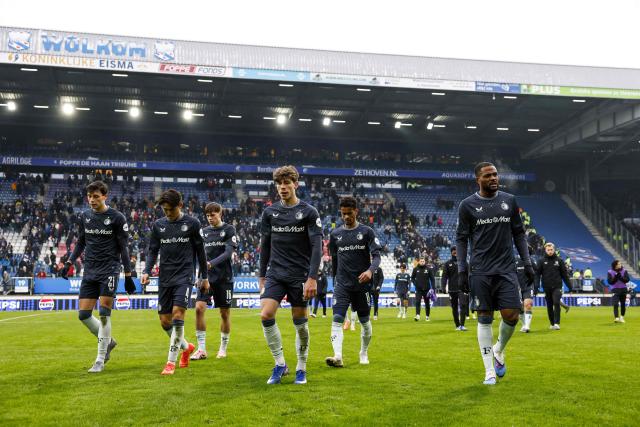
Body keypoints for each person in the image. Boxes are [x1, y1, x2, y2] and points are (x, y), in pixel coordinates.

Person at [456, 162, 535, 385]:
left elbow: (519, 233)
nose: (493, 178)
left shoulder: (509, 201)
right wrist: (462, 270)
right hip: (480, 271)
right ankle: (489, 370)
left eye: (495, 175)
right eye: (488, 175)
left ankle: (499, 349)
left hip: (506, 268)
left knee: (512, 315)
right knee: (484, 318)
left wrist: (527, 262)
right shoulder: (467, 205)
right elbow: (461, 239)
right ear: (478, 180)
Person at [61, 180, 136, 373]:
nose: (92, 200)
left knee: (104, 314)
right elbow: (81, 243)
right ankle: (108, 342)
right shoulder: (85, 216)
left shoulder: (117, 218)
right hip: (90, 270)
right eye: (89, 196)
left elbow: (124, 248)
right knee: (84, 314)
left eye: (96, 196)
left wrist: (128, 275)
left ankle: (100, 360)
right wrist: (69, 262)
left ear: (105, 196)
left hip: (109, 270)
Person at [258, 166, 323, 385]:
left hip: (300, 275)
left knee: (300, 324)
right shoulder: (269, 213)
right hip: (275, 273)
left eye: (287, 183)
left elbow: (316, 247)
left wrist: (312, 277)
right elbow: (265, 245)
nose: (283, 187)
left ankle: (301, 368)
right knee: (266, 315)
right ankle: (280, 364)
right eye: (279, 184)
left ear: (296, 184)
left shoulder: (309, 212)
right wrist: (261, 275)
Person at [141, 189, 209, 375]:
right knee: (165, 321)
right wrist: (147, 270)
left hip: (184, 276)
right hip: (165, 277)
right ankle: (186, 347)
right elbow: (153, 251)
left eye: (171, 209)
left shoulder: (192, 224)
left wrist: (204, 277)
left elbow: (201, 253)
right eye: (165, 210)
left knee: (178, 315)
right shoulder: (158, 225)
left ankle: (170, 362)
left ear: (180, 205)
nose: (168, 213)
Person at [326, 196, 381, 367]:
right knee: (337, 318)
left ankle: (363, 352)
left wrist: (370, 271)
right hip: (342, 284)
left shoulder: (366, 232)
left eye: (349, 213)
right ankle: (338, 356)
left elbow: (377, 257)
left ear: (356, 211)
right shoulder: (335, 235)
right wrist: (335, 280)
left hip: (362, 285)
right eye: (343, 214)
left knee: (365, 322)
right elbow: (334, 260)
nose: (346, 217)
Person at [190, 202, 238, 361]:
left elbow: (228, 252)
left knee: (224, 314)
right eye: (208, 215)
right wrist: (199, 275)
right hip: (206, 277)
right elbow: (199, 254)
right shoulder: (203, 232)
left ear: (220, 214)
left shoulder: (229, 229)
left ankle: (223, 348)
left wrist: (211, 263)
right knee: (198, 309)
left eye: (213, 215)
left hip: (224, 278)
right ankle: (201, 349)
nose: (210, 218)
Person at [536, 242, 572, 330]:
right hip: (546, 287)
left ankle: (557, 323)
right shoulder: (541, 261)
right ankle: (552, 323)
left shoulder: (559, 261)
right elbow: (537, 275)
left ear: (554, 250)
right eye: (548, 250)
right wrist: (536, 286)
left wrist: (570, 287)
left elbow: (565, 275)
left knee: (556, 302)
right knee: (549, 305)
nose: (550, 251)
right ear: (545, 250)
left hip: (557, 286)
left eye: (551, 249)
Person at [442, 246, 467, 331]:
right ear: (451, 252)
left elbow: (468, 275)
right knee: (454, 307)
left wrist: (468, 286)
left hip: (462, 288)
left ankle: (462, 325)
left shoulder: (464, 263)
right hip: (452, 289)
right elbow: (444, 276)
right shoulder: (447, 263)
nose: (455, 252)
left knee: (463, 305)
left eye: (456, 250)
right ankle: (457, 325)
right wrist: (443, 286)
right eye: (453, 250)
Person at [411, 257, 435, 321]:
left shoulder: (428, 269)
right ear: (419, 262)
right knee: (417, 302)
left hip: (427, 290)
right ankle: (417, 315)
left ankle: (427, 316)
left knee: (427, 303)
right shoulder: (415, 269)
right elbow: (412, 278)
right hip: (418, 289)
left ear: (425, 262)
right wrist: (415, 284)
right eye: (421, 261)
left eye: (423, 261)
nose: (422, 262)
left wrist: (433, 288)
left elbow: (432, 279)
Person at [516, 254, 535, 333]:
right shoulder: (514, 261)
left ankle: (527, 326)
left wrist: (536, 286)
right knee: (519, 308)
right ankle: (524, 325)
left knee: (528, 304)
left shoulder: (530, 261)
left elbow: (535, 273)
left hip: (528, 286)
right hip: (517, 288)